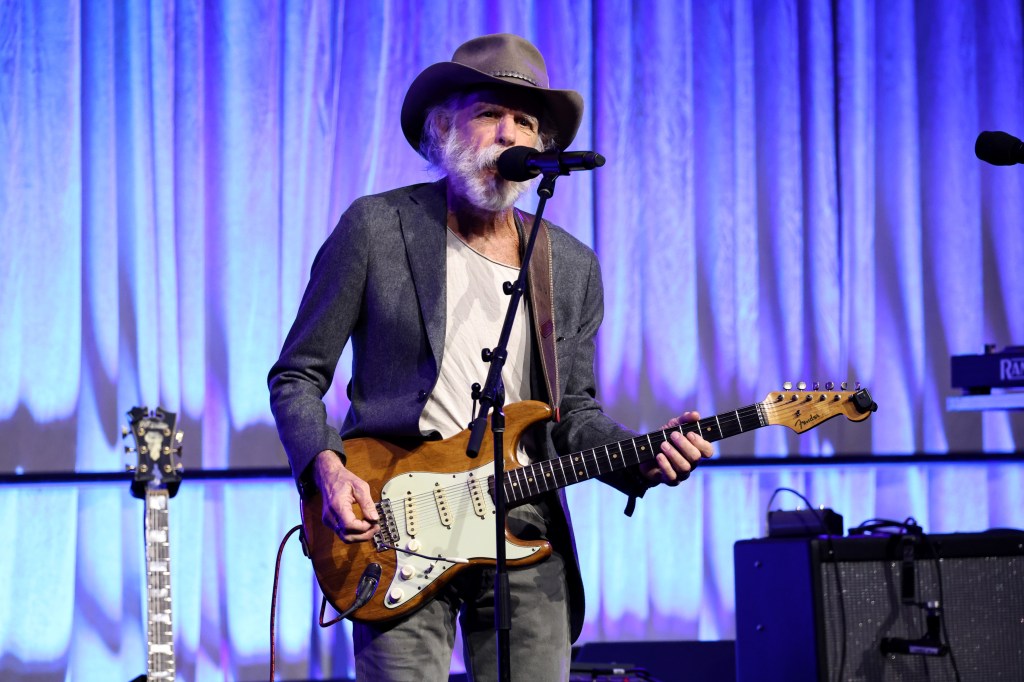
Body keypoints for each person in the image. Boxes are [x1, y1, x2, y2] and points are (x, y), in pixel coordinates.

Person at [268, 33, 713, 681]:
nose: (510, 133)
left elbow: (573, 414)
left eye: (526, 122)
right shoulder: (376, 228)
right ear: (443, 127)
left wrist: (644, 456)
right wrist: (327, 471)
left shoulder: (572, 266)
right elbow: (296, 375)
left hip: (525, 523)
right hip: (394, 520)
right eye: (489, 114)